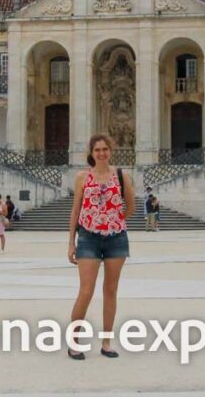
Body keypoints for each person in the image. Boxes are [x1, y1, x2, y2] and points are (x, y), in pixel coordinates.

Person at [67, 133, 133, 360]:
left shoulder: (122, 176)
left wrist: (114, 220)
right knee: (86, 291)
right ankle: (73, 341)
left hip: (116, 238)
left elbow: (131, 206)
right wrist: (71, 243)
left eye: (105, 149)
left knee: (111, 290)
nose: (102, 153)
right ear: (91, 153)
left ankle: (106, 343)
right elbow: (75, 211)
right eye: (97, 150)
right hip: (88, 237)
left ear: (110, 151)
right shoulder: (82, 177)